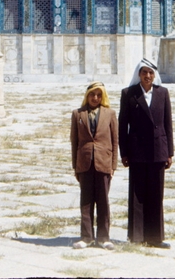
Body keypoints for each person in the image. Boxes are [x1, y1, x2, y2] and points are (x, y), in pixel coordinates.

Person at [118, 58, 174, 248]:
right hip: (137, 151)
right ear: (139, 75)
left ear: (154, 75)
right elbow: (122, 125)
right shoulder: (129, 94)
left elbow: (168, 124)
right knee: (137, 194)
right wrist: (124, 152)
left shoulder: (163, 93)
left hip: (158, 150)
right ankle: (137, 236)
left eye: (150, 73)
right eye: (144, 73)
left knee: (156, 194)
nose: (148, 76)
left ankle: (155, 237)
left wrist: (170, 152)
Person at [70, 81, 119, 250]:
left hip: (103, 163)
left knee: (103, 201)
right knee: (86, 201)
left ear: (103, 96)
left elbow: (115, 141)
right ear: (87, 95)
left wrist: (113, 165)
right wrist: (75, 166)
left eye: (99, 95)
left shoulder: (110, 114)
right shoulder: (78, 114)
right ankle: (86, 237)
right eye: (92, 94)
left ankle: (104, 237)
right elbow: (74, 142)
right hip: (84, 163)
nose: (95, 98)